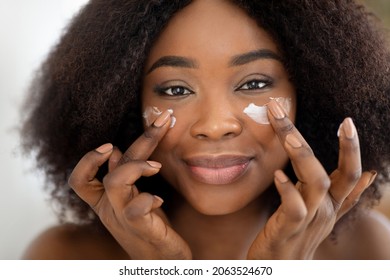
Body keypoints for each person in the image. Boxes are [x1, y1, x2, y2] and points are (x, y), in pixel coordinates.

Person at [20, 0, 390, 260]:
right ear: (123, 107)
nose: (215, 126)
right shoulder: (61, 258)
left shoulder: (370, 248)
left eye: (255, 83)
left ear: (311, 94)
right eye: (176, 90)